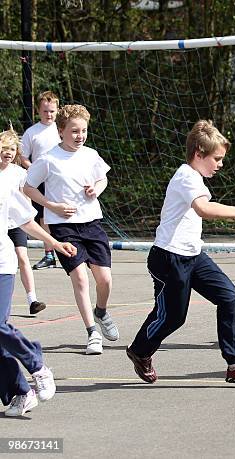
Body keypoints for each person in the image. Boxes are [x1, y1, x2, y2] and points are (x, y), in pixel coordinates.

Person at [126, 120, 235, 384]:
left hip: (193, 256)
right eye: (217, 158)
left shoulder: (195, 178)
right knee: (173, 317)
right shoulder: (185, 177)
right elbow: (204, 208)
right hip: (169, 258)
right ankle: (139, 351)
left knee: (229, 297)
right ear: (199, 154)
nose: (220, 164)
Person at [24, 104, 118, 355]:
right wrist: (51, 205)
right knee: (79, 277)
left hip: (92, 223)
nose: (80, 135)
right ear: (61, 131)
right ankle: (92, 332)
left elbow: (103, 178)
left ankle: (101, 312)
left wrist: (95, 190)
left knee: (105, 280)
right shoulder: (48, 159)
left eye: (84, 130)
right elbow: (28, 188)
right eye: (75, 131)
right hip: (63, 226)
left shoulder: (90, 154)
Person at [1, 170, 77, 416]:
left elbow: (25, 221)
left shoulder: (4, 185)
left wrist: (54, 244)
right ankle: (20, 392)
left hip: (1, 266)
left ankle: (37, 363)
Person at [0, 128, 46, 315]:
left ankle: (32, 299)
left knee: (22, 256)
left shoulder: (19, 173)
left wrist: (29, 221)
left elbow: (25, 198)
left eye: (11, 149)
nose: (8, 153)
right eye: (4, 148)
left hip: (16, 224)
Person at [21, 91, 62, 270]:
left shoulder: (62, 129)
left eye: (52, 111)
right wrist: (35, 171)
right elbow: (23, 157)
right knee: (44, 218)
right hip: (41, 181)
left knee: (67, 214)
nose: (49, 115)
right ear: (39, 111)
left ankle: (78, 251)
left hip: (61, 179)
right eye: (45, 111)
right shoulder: (32, 132)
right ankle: (49, 255)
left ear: (57, 110)